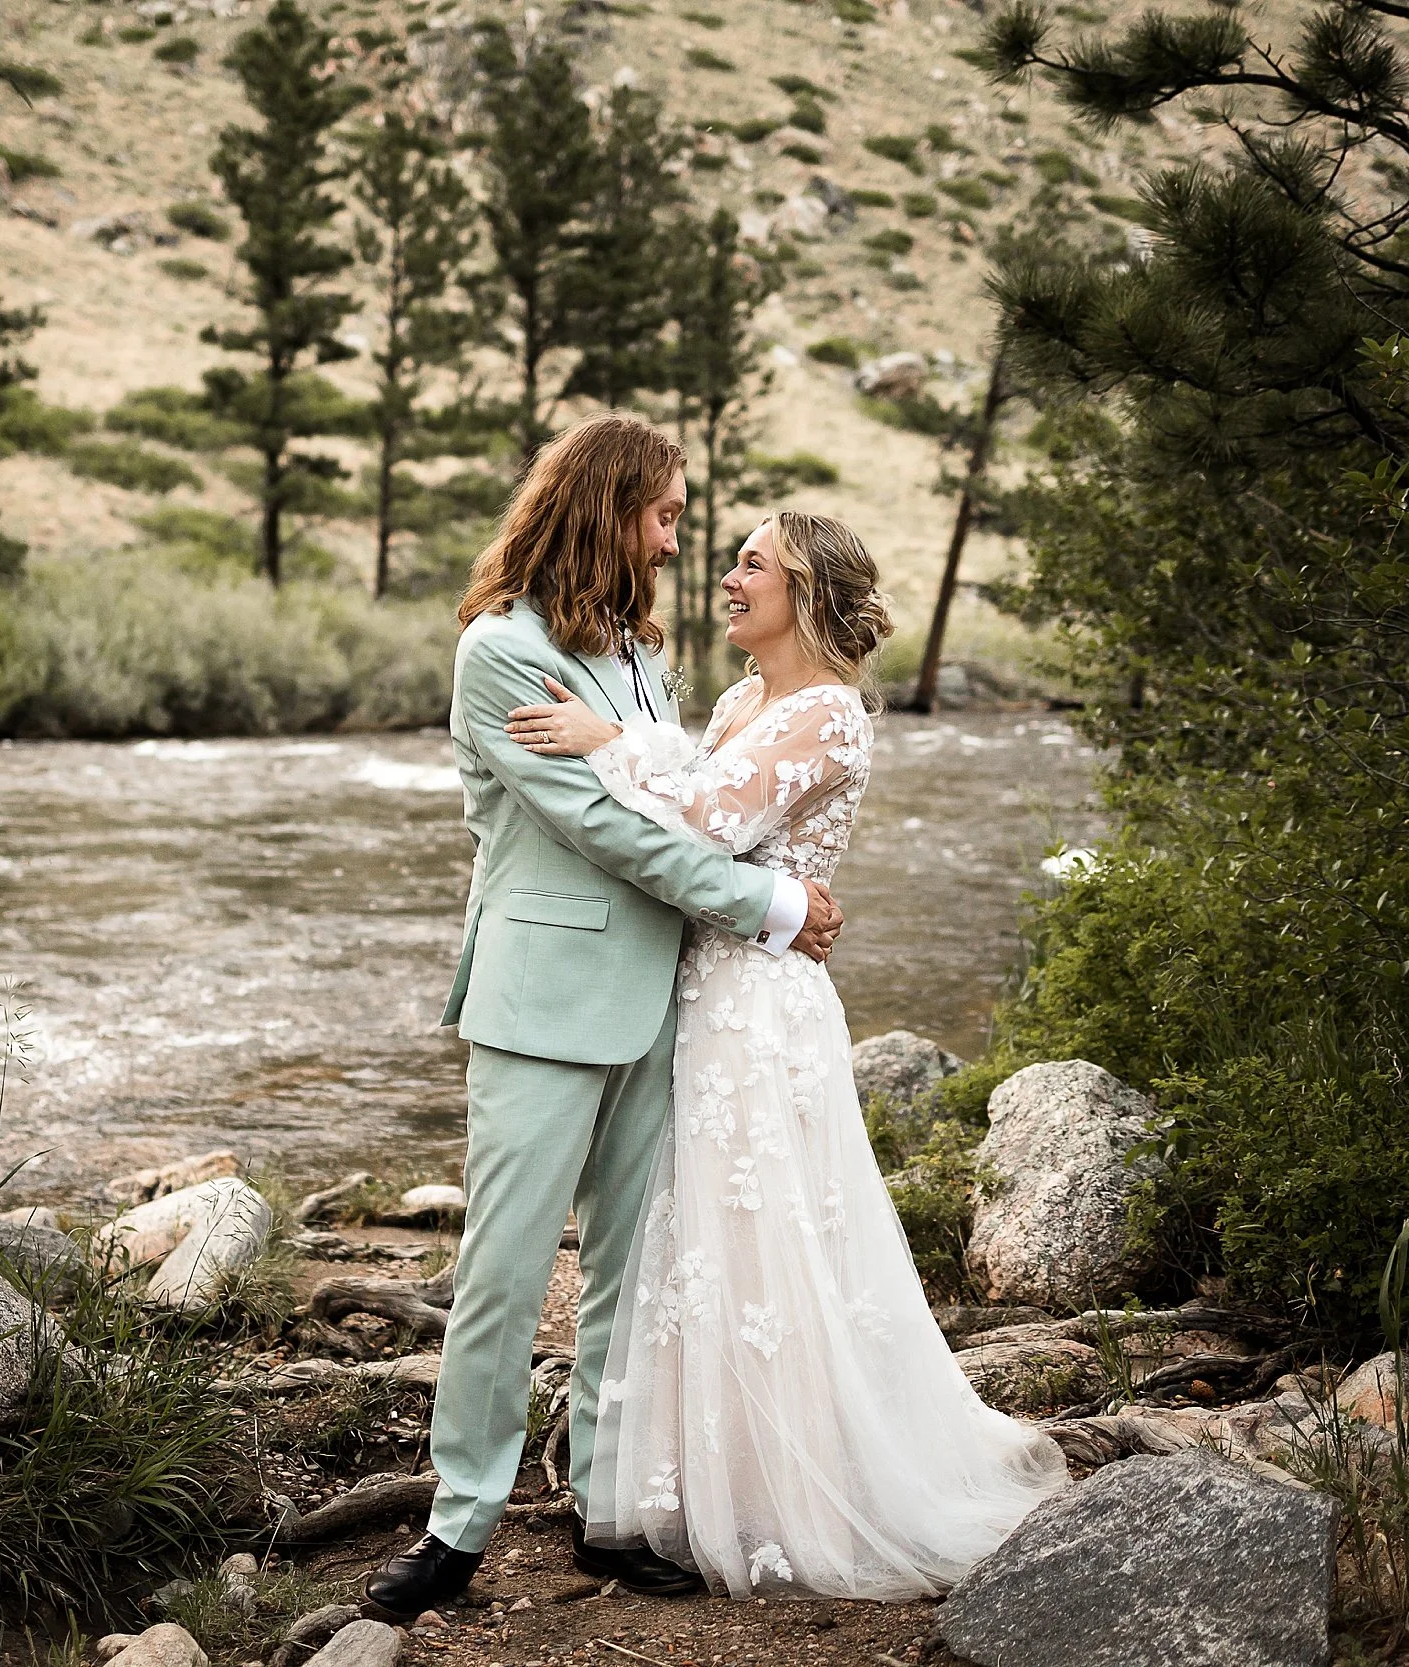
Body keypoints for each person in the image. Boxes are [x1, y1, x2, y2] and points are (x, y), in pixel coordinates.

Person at [502, 510, 1069, 1599]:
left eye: (751, 563)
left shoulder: (833, 713)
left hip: (760, 1005)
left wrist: (601, 740)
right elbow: (684, 814)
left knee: (765, 1239)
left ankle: (785, 1489)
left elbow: (709, 818)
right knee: (682, 1234)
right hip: (690, 985)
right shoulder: (734, 699)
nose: (725, 577)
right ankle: (675, 1476)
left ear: (805, 589)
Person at [361, 416, 847, 1621]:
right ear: (605, 507)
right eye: (666, 515)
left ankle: (610, 1506)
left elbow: (674, 790)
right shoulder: (499, 649)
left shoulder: (634, 651)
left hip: (662, 996)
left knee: (634, 1266)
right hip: (543, 996)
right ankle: (458, 1521)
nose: (679, 542)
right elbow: (609, 825)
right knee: (504, 1268)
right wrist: (774, 905)